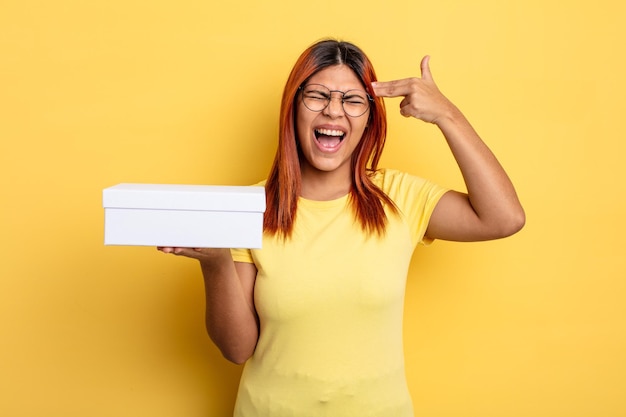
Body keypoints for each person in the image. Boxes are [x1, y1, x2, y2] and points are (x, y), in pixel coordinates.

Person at [158, 39, 524, 417]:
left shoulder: (399, 196)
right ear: (293, 107)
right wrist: (214, 263)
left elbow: (504, 217)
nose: (334, 111)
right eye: (317, 96)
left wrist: (448, 116)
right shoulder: (252, 208)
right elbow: (237, 349)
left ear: (370, 118)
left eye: (352, 100)